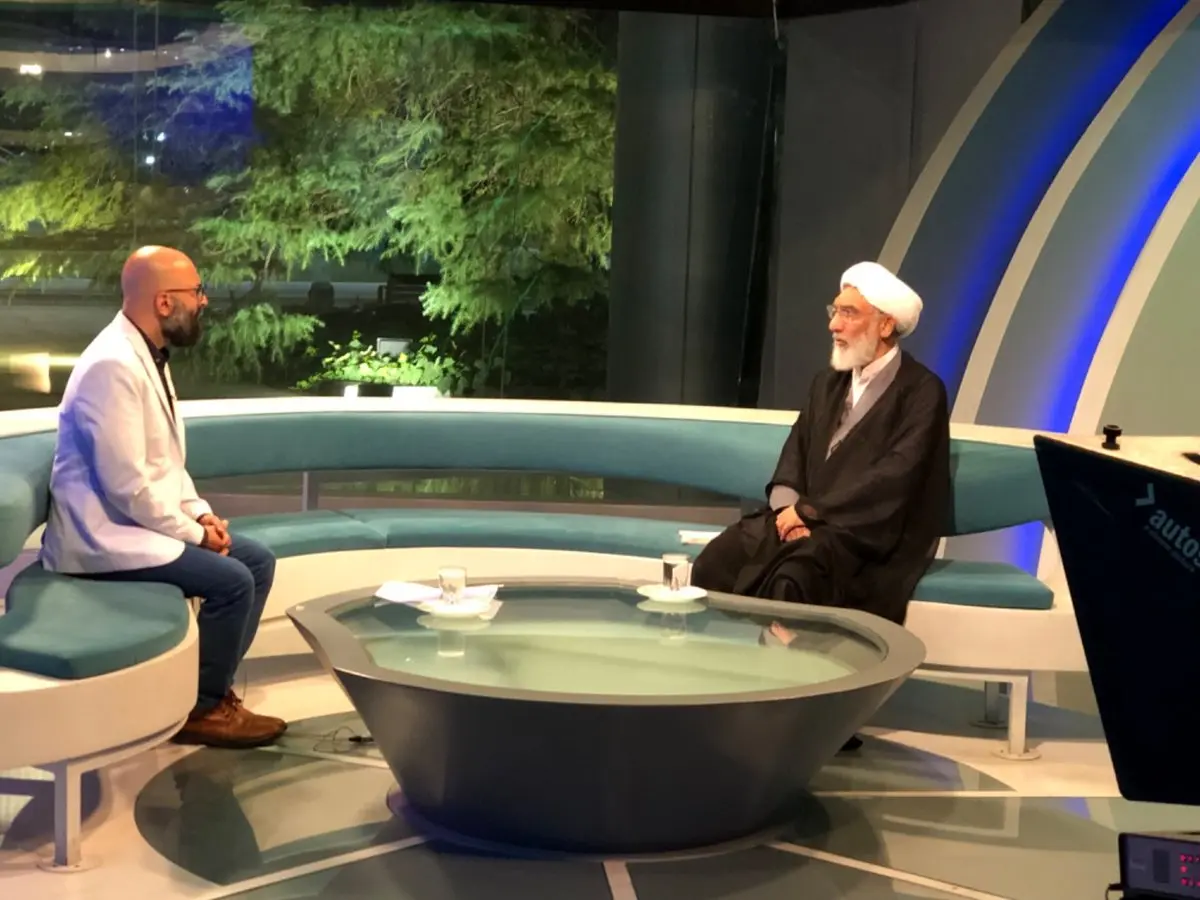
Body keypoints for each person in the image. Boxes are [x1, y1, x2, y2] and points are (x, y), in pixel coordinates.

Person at [40, 246, 287, 749]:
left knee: (257, 561)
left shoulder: (147, 353)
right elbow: (127, 486)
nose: (204, 301)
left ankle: (204, 692)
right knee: (233, 582)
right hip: (102, 539)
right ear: (164, 302)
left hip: (140, 523)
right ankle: (203, 709)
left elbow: (165, 463)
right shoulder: (111, 365)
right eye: (196, 291)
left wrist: (202, 514)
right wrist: (195, 535)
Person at [692, 260, 952, 626]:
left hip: (862, 535)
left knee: (793, 579)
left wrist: (812, 513)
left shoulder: (922, 391)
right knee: (715, 561)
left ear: (885, 325)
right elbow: (794, 455)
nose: (834, 325)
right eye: (835, 311)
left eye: (849, 313)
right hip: (798, 519)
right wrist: (788, 512)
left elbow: (895, 477)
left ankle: (787, 663)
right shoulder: (826, 383)